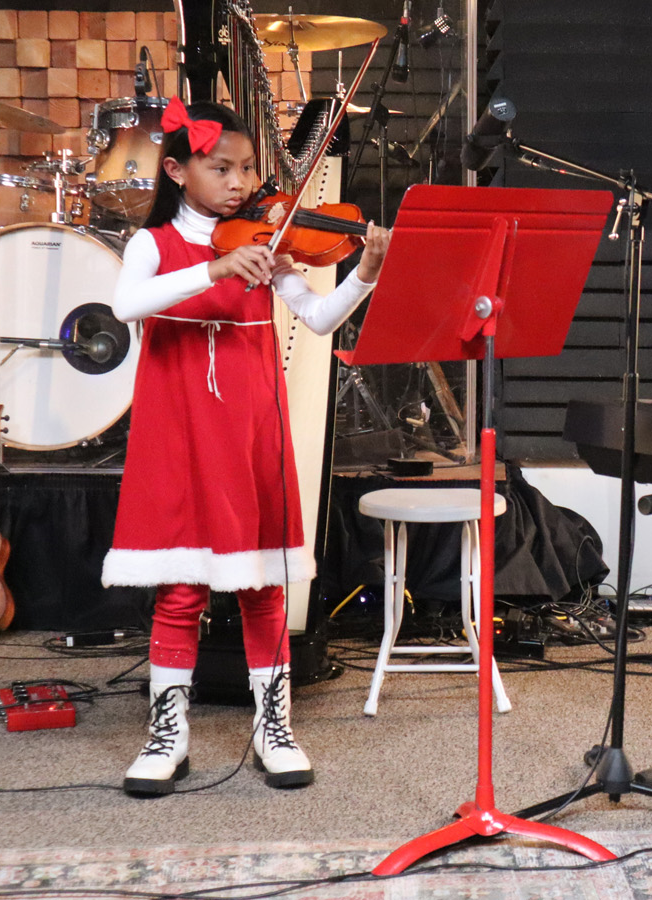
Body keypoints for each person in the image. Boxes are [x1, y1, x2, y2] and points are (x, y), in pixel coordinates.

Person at [101, 99, 390, 796]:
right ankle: (168, 735)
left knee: (264, 584)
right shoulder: (154, 245)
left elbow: (318, 318)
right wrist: (217, 269)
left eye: (249, 168)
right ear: (177, 171)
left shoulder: (268, 240)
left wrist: (367, 273)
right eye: (221, 168)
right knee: (180, 589)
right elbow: (126, 305)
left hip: (250, 429)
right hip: (179, 434)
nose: (240, 183)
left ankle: (274, 727)